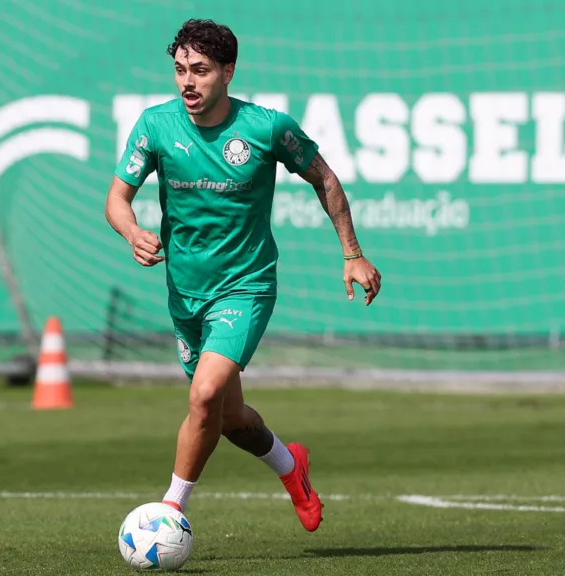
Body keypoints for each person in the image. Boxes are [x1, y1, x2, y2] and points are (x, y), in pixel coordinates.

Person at [104, 18, 381, 533]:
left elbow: (326, 179)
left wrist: (353, 252)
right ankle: (290, 466)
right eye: (181, 70)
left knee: (204, 395)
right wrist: (132, 232)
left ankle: (168, 512)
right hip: (185, 293)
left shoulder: (266, 127)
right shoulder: (155, 125)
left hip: (246, 286)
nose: (188, 82)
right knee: (228, 417)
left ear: (228, 72)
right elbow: (117, 199)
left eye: (202, 71)